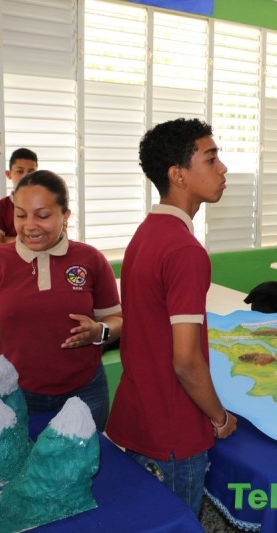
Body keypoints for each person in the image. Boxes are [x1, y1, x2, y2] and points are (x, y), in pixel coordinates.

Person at [106, 118, 237, 517]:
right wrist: (219, 418)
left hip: (138, 414)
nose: (223, 168)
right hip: (173, 429)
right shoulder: (185, 251)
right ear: (178, 175)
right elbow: (185, 360)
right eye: (211, 159)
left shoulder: (146, 234)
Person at [0, 170, 121, 430]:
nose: (29, 225)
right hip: (14, 395)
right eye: (20, 215)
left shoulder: (90, 259)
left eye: (43, 215)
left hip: (84, 393)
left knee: (85, 456)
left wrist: (99, 332)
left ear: (65, 215)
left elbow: (116, 320)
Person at [0, 148, 39, 246]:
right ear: (9, 174)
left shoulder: (47, 204)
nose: (25, 176)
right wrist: (35, 239)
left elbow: (58, 240)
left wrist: (7, 240)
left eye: (30, 172)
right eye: (20, 171)